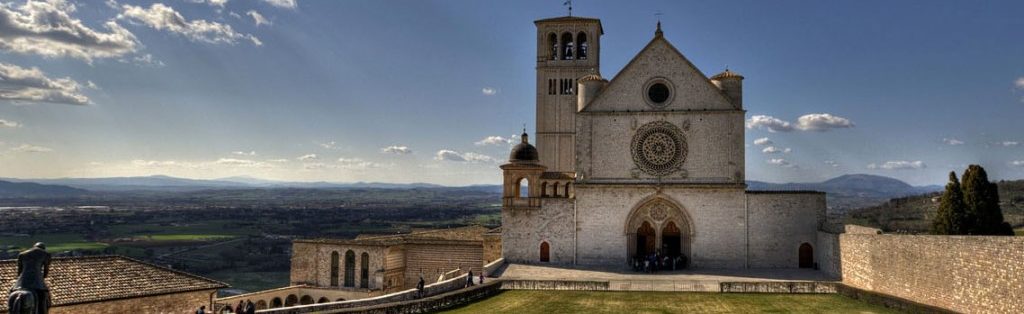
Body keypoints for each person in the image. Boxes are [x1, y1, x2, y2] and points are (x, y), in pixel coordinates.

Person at [9, 242, 51, 314]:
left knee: (11, 292)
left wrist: (19, 280)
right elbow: (46, 270)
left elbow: (19, 271)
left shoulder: (22, 254)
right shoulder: (45, 254)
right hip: (37, 281)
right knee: (43, 297)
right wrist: (43, 278)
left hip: (21, 282)